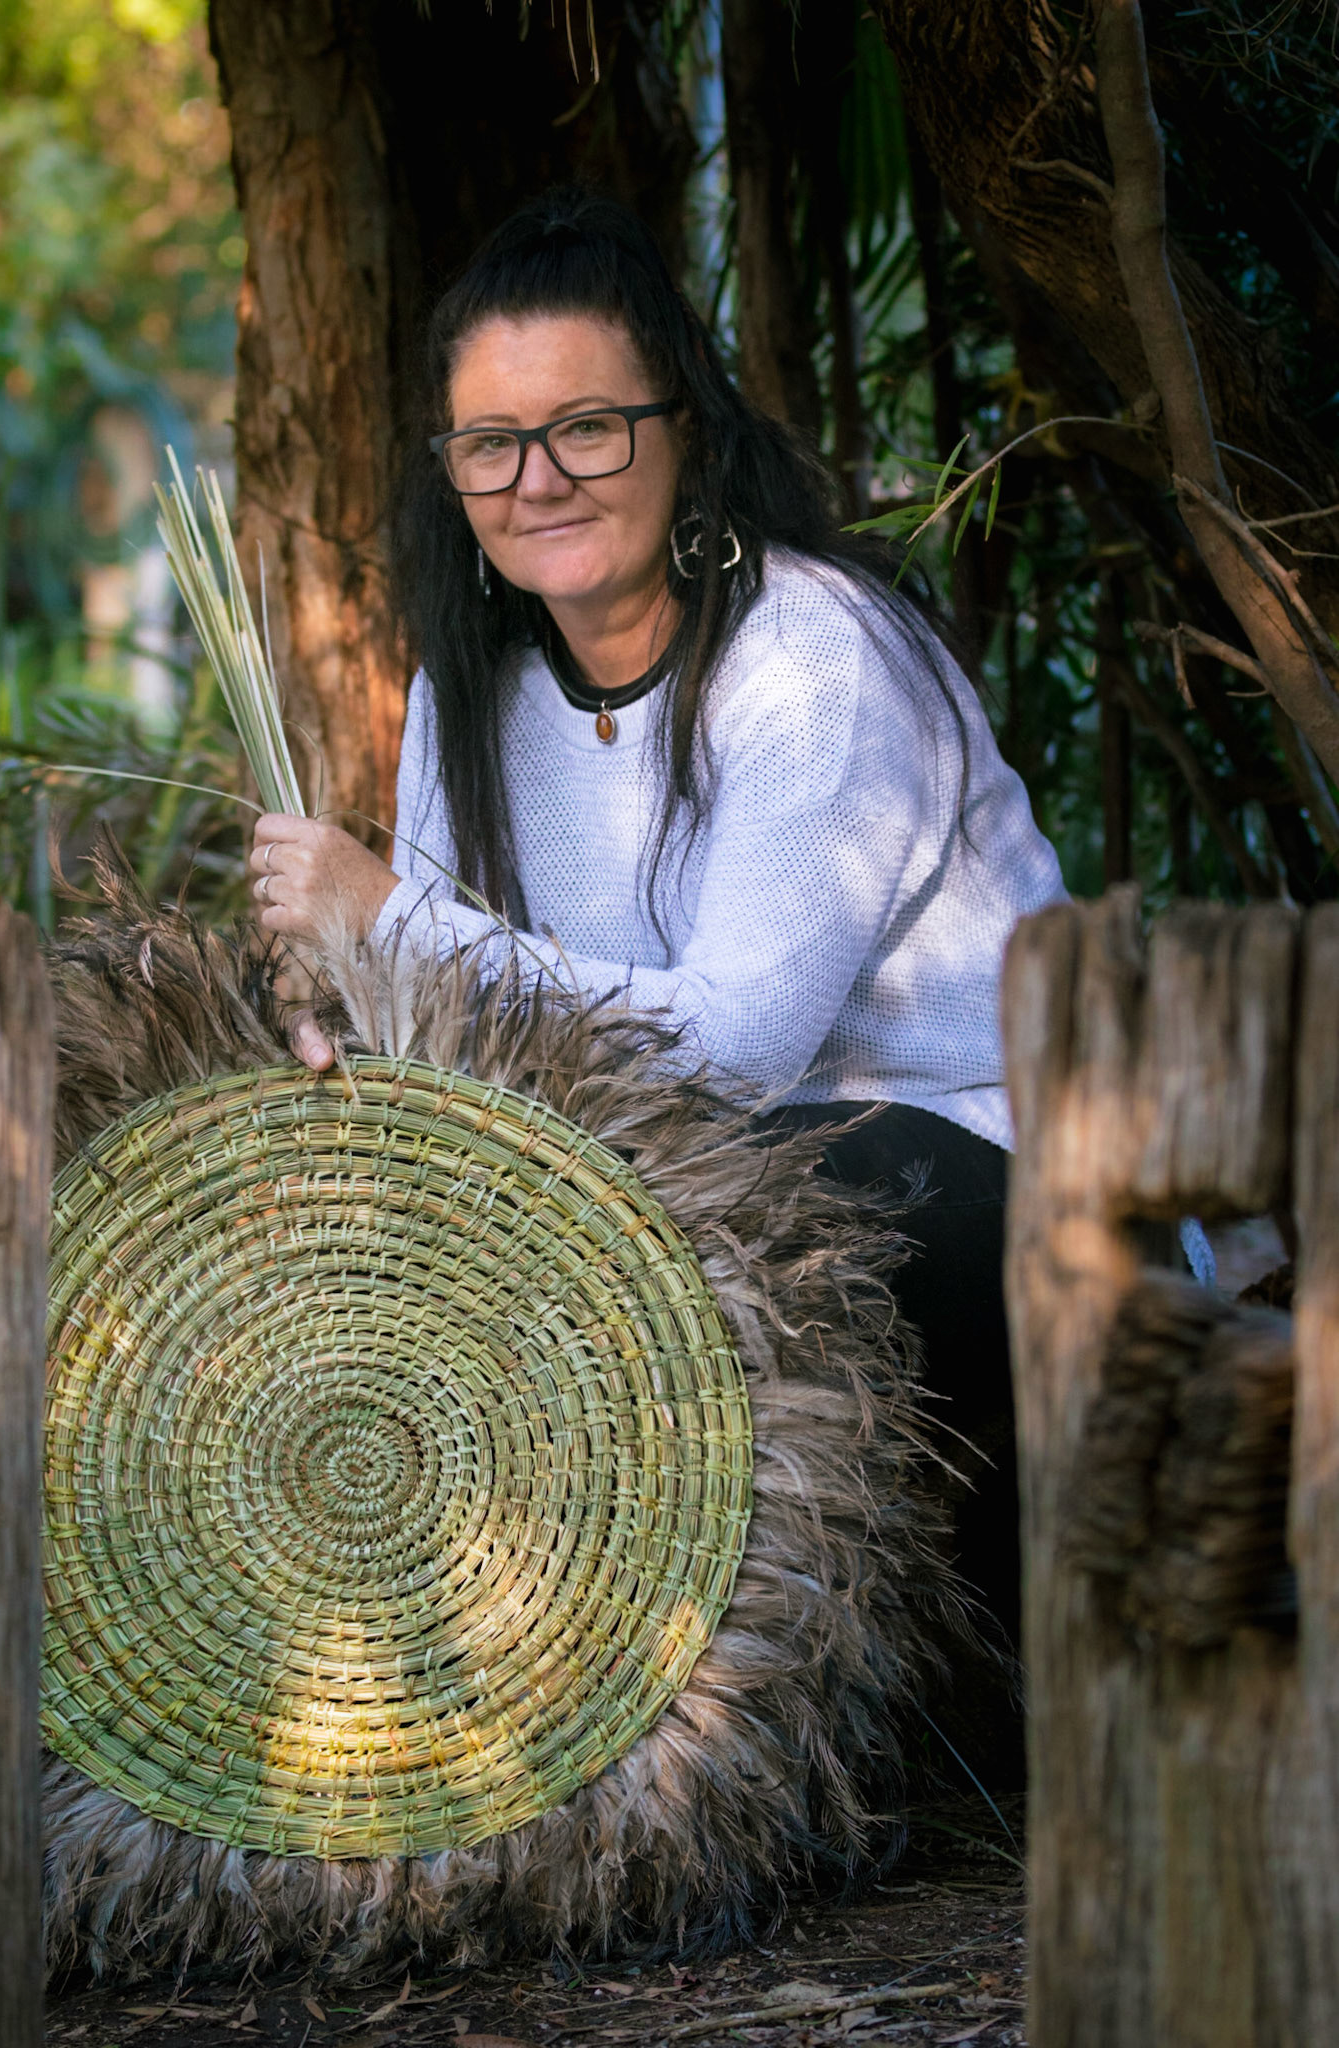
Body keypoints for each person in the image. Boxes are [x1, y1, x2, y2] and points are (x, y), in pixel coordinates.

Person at [246, 190, 1067, 1641]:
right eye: (488, 445)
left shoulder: (809, 656)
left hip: (990, 1193)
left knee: (802, 1185)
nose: (536, 479)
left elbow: (741, 1055)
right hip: (701, 1201)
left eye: (586, 427)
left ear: (682, 430)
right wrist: (352, 1019)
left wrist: (388, 922)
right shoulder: (465, 695)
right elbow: (466, 1031)